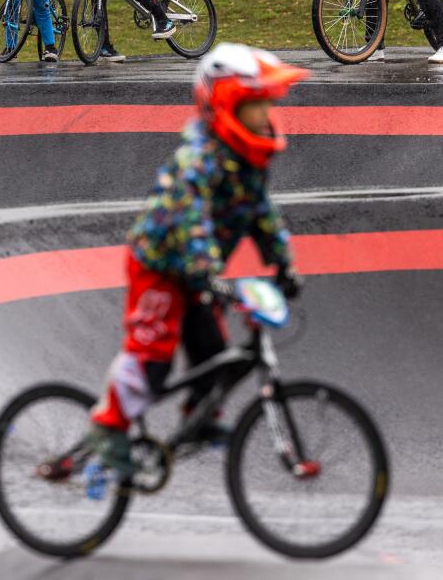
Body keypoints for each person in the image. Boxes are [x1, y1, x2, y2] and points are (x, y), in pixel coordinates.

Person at [63, 43, 307, 480]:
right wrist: (209, 273)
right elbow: (192, 222)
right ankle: (107, 430)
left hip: (199, 272)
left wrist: (282, 261)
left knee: (213, 351)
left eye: (266, 105)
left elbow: (259, 212)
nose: (265, 116)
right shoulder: (198, 159)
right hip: (159, 266)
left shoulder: (250, 159)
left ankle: (199, 421)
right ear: (225, 105)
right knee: (151, 360)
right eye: (255, 106)